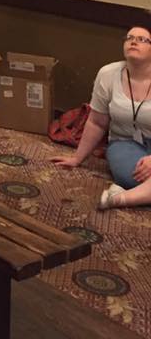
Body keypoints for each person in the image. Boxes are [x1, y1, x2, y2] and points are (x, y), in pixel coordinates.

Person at [51, 25, 151, 209]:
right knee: (134, 176)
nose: (133, 42)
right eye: (129, 38)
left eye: (142, 39)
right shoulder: (108, 74)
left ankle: (119, 198)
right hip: (125, 142)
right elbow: (97, 122)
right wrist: (77, 158)